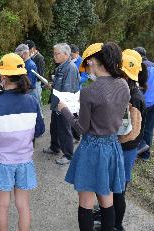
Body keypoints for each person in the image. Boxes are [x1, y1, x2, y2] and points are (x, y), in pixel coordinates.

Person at [57, 42, 130, 231]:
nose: (88, 67)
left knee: (86, 202)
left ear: (97, 62)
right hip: (112, 146)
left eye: (89, 63)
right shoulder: (123, 84)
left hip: (92, 149)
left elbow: (81, 127)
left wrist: (65, 110)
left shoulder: (90, 91)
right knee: (107, 199)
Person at [0, 53, 45, 231]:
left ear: (3, 78)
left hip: (3, 161)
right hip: (25, 160)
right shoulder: (32, 101)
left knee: (3, 204)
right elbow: (39, 130)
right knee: (23, 204)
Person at [104, 49, 145, 231]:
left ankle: (117, 225)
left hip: (126, 148)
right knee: (113, 186)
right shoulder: (125, 91)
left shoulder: (135, 98)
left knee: (120, 189)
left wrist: (111, 137)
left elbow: (132, 132)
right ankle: (107, 214)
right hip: (119, 146)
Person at [43, 43, 80, 165]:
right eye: (54, 53)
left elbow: (67, 90)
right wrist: (52, 85)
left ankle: (68, 155)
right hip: (57, 103)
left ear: (66, 54)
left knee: (64, 130)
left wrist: (61, 107)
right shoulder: (61, 66)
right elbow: (59, 84)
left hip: (64, 105)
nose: (54, 56)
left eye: (57, 53)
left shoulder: (70, 68)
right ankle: (55, 147)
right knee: (54, 127)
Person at [134, 47, 154, 161]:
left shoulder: (141, 67)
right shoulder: (153, 65)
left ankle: (140, 150)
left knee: (139, 127)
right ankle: (145, 155)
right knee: (149, 129)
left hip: (144, 102)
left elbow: (140, 86)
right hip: (153, 103)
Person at [24, 40, 45, 116]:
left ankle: (40, 117)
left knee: (37, 103)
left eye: (28, 50)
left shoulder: (39, 58)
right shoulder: (29, 58)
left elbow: (41, 73)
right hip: (29, 83)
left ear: (32, 49)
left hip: (36, 83)